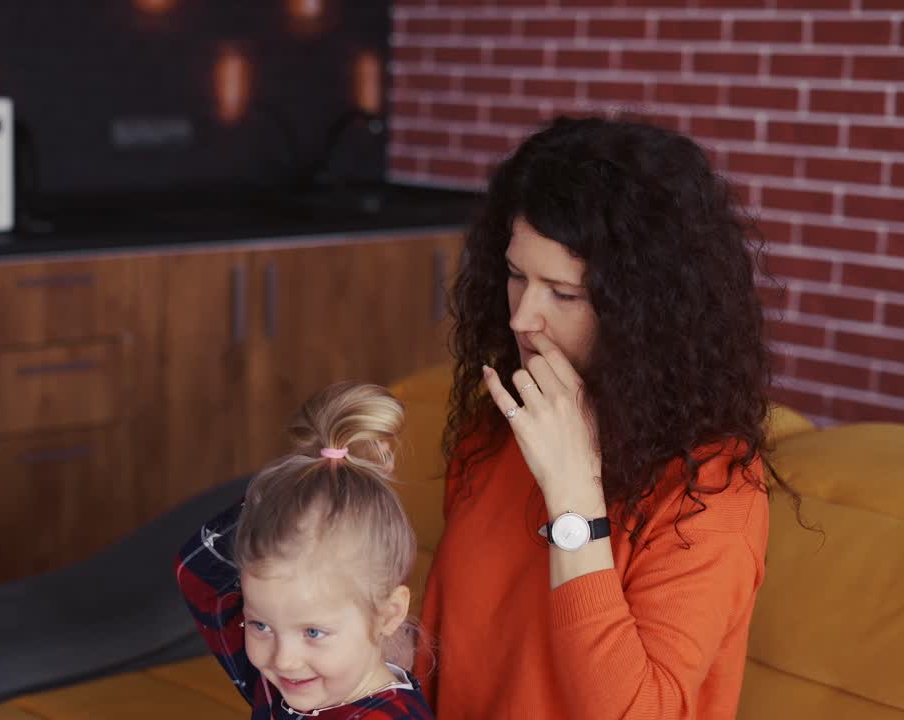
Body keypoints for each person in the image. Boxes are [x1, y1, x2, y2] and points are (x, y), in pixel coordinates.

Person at [414, 115, 799, 719]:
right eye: (516, 277)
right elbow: (457, 656)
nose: (522, 318)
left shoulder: (712, 494)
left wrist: (573, 499)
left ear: (645, 311)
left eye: (564, 294)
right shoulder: (498, 427)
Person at [176, 382, 435, 719]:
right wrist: (303, 491)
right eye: (259, 625)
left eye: (313, 632)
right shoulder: (287, 681)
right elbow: (199, 569)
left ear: (387, 614)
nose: (283, 659)